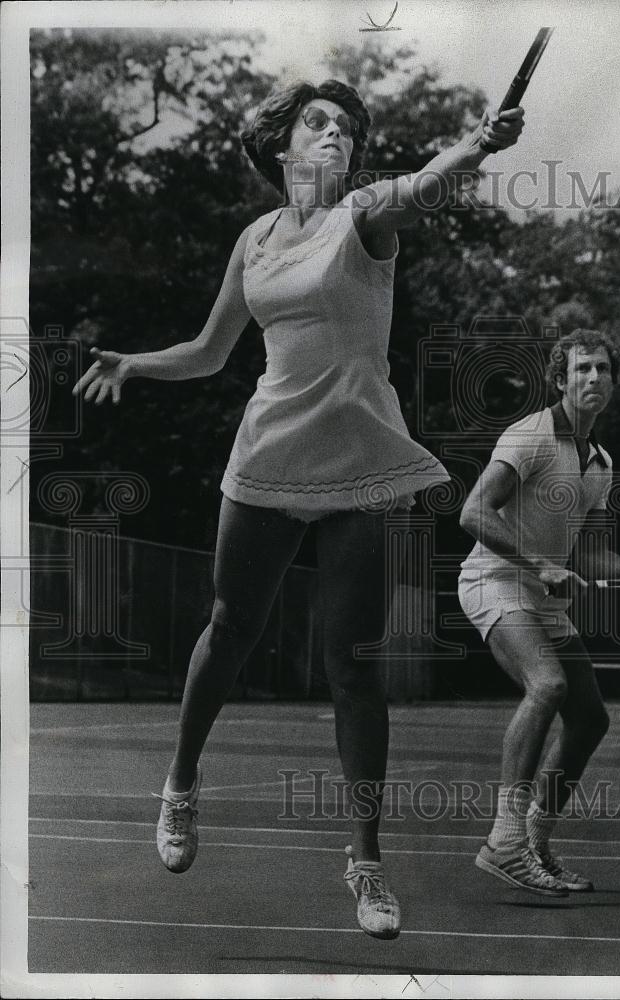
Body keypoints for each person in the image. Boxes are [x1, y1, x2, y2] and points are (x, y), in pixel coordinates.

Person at [72, 78, 524, 939]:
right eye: (316, 125)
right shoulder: (255, 239)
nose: (335, 138)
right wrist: (137, 364)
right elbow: (209, 354)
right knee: (229, 628)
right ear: (280, 148)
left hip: (364, 458)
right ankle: (179, 786)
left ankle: (365, 864)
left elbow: (424, 186)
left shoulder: (364, 216)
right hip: (270, 451)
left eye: (347, 130)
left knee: (350, 665)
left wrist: (476, 144)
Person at [457, 328, 620, 896]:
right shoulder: (531, 436)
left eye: (603, 369)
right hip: (492, 581)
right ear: (560, 379)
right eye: (582, 369)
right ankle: (504, 841)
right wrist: (539, 562)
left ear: (614, 380)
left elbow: (588, 548)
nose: (594, 378)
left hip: (540, 596)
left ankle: (535, 842)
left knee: (591, 718)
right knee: (547, 685)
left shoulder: (599, 462)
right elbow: (473, 512)